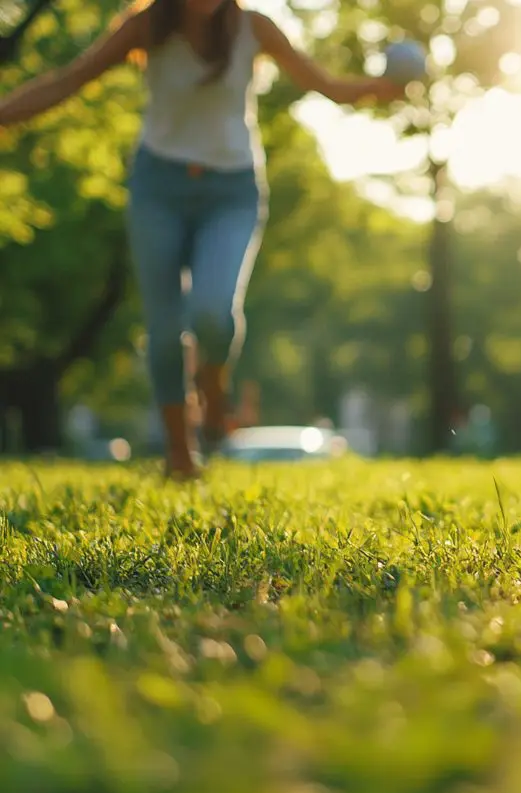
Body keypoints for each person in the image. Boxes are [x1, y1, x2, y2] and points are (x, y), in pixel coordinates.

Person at [0, 0, 404, 481]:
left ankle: (214, 393)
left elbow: (326, 86)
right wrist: (5, 113)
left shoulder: (255, 29)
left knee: (213, 311)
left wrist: (379, 89)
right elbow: (71, 78)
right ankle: (180, 455)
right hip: (158, 188)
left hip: (231, 190)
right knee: (164, 328)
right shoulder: (146, 27)